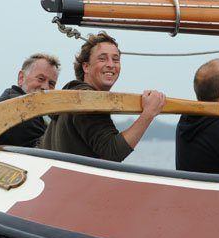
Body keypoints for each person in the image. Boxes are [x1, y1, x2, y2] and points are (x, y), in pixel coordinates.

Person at [40, 32, 165, 162]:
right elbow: (113, 152)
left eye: (115, 59)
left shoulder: (68, 100)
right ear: (86, 67)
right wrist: (148, 113)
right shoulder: (87, 99)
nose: (111, 64)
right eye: (102, 58)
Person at [0, 53, 60, 148]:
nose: (45, 87)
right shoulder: (17, 109)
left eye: (51, 84)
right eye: (41, 79)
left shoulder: (37, 113)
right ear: (21, 78)